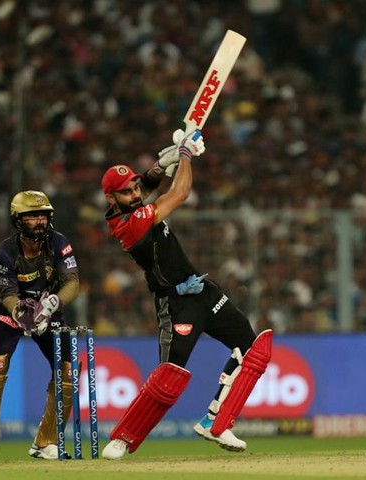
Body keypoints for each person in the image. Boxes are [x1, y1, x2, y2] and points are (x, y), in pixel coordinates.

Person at [99, 129, 273, 460]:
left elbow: (147, 183)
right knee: (169, 376)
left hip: (202, 291)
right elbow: (179, 193)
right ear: (111, 199)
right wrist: (185, 155)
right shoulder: (128, 225)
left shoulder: (134, 202)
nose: (135, 194)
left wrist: (160, 165)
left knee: (253, 349)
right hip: (176, 304)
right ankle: (123, 437)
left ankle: (216, 422)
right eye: (126, 192)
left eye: (135, 187)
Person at [0, 190, 80, 460]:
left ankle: (47, 442)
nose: (40, 221)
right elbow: (8, 294)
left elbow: (72, 282)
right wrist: (21, 313)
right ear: (17, 220)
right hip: (11, 311)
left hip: (48, 309)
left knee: (68, 370)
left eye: (43, 215)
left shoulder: (59, 242)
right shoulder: (5, 251)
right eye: (32, 216)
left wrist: (52, 304)